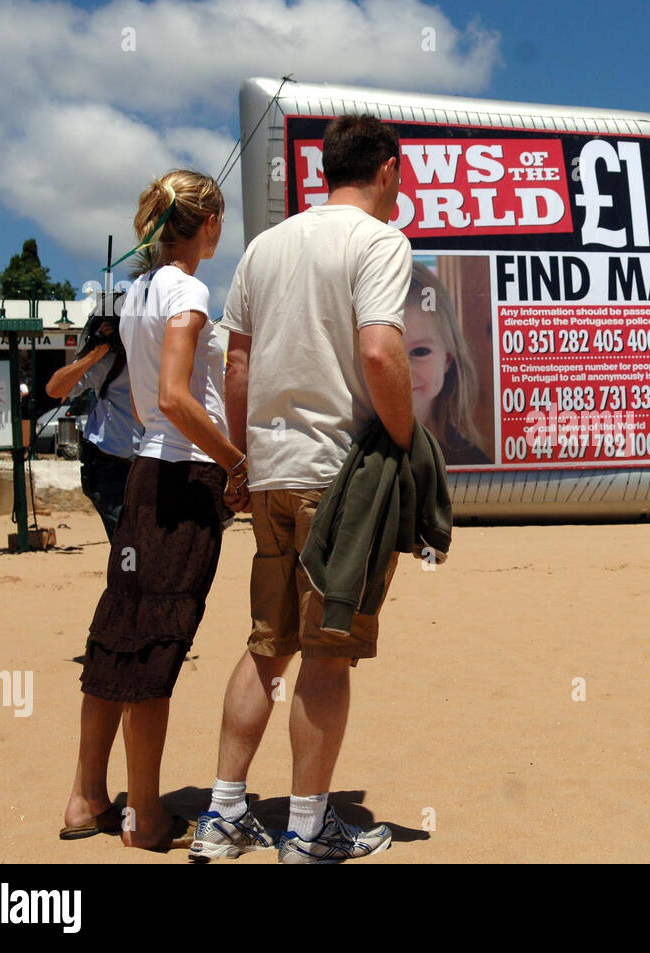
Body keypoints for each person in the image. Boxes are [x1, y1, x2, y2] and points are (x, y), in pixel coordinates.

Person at [191, 114, 412, 864]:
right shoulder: (379, 241)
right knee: (327, 653)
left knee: (266, 644)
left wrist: (246, 462)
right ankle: (309, 828)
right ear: (386, 169)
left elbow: (238, 366)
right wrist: (408, 441)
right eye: (398, 175)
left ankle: (222, 818)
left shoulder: (264, 246)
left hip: (274, 473)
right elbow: (380, 352)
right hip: (337, 478)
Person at [62, 169, 246, 851]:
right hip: (178, 479)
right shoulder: (189, 288)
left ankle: (88, 796)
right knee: (156, 647)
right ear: (208, 226)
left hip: (142, 473)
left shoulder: (137, 289)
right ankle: (144, 813)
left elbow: (148, 402)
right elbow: (173, 396)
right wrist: (235, 461)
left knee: (118, 630)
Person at [45, 324, 141, 540]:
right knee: (128, 542)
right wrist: (94, 354)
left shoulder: (161, 360)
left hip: (148, 465)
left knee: (146, 541)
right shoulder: (109, 365)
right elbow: (55, 389)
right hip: (111, 466)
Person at [404, 261, 489, 464]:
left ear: (447, 360)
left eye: (420, 351)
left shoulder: (471, 460)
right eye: (386, 352)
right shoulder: (341, 452)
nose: (402, 370)